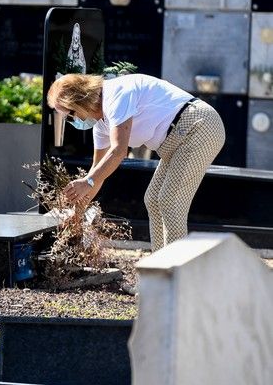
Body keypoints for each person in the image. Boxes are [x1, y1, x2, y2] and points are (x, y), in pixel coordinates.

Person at [47, 72, 226, 252]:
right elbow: (97, 171)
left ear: (80, 100)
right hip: (177, 140)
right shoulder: (101, 125)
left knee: (170, 201)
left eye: (70, 114)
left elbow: (118, 152)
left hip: (200, 125)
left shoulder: (115, 95)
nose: (73, 120)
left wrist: (88, 181)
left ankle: (176, 274)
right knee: (153, 200)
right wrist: (76, 215)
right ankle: (159, 267)